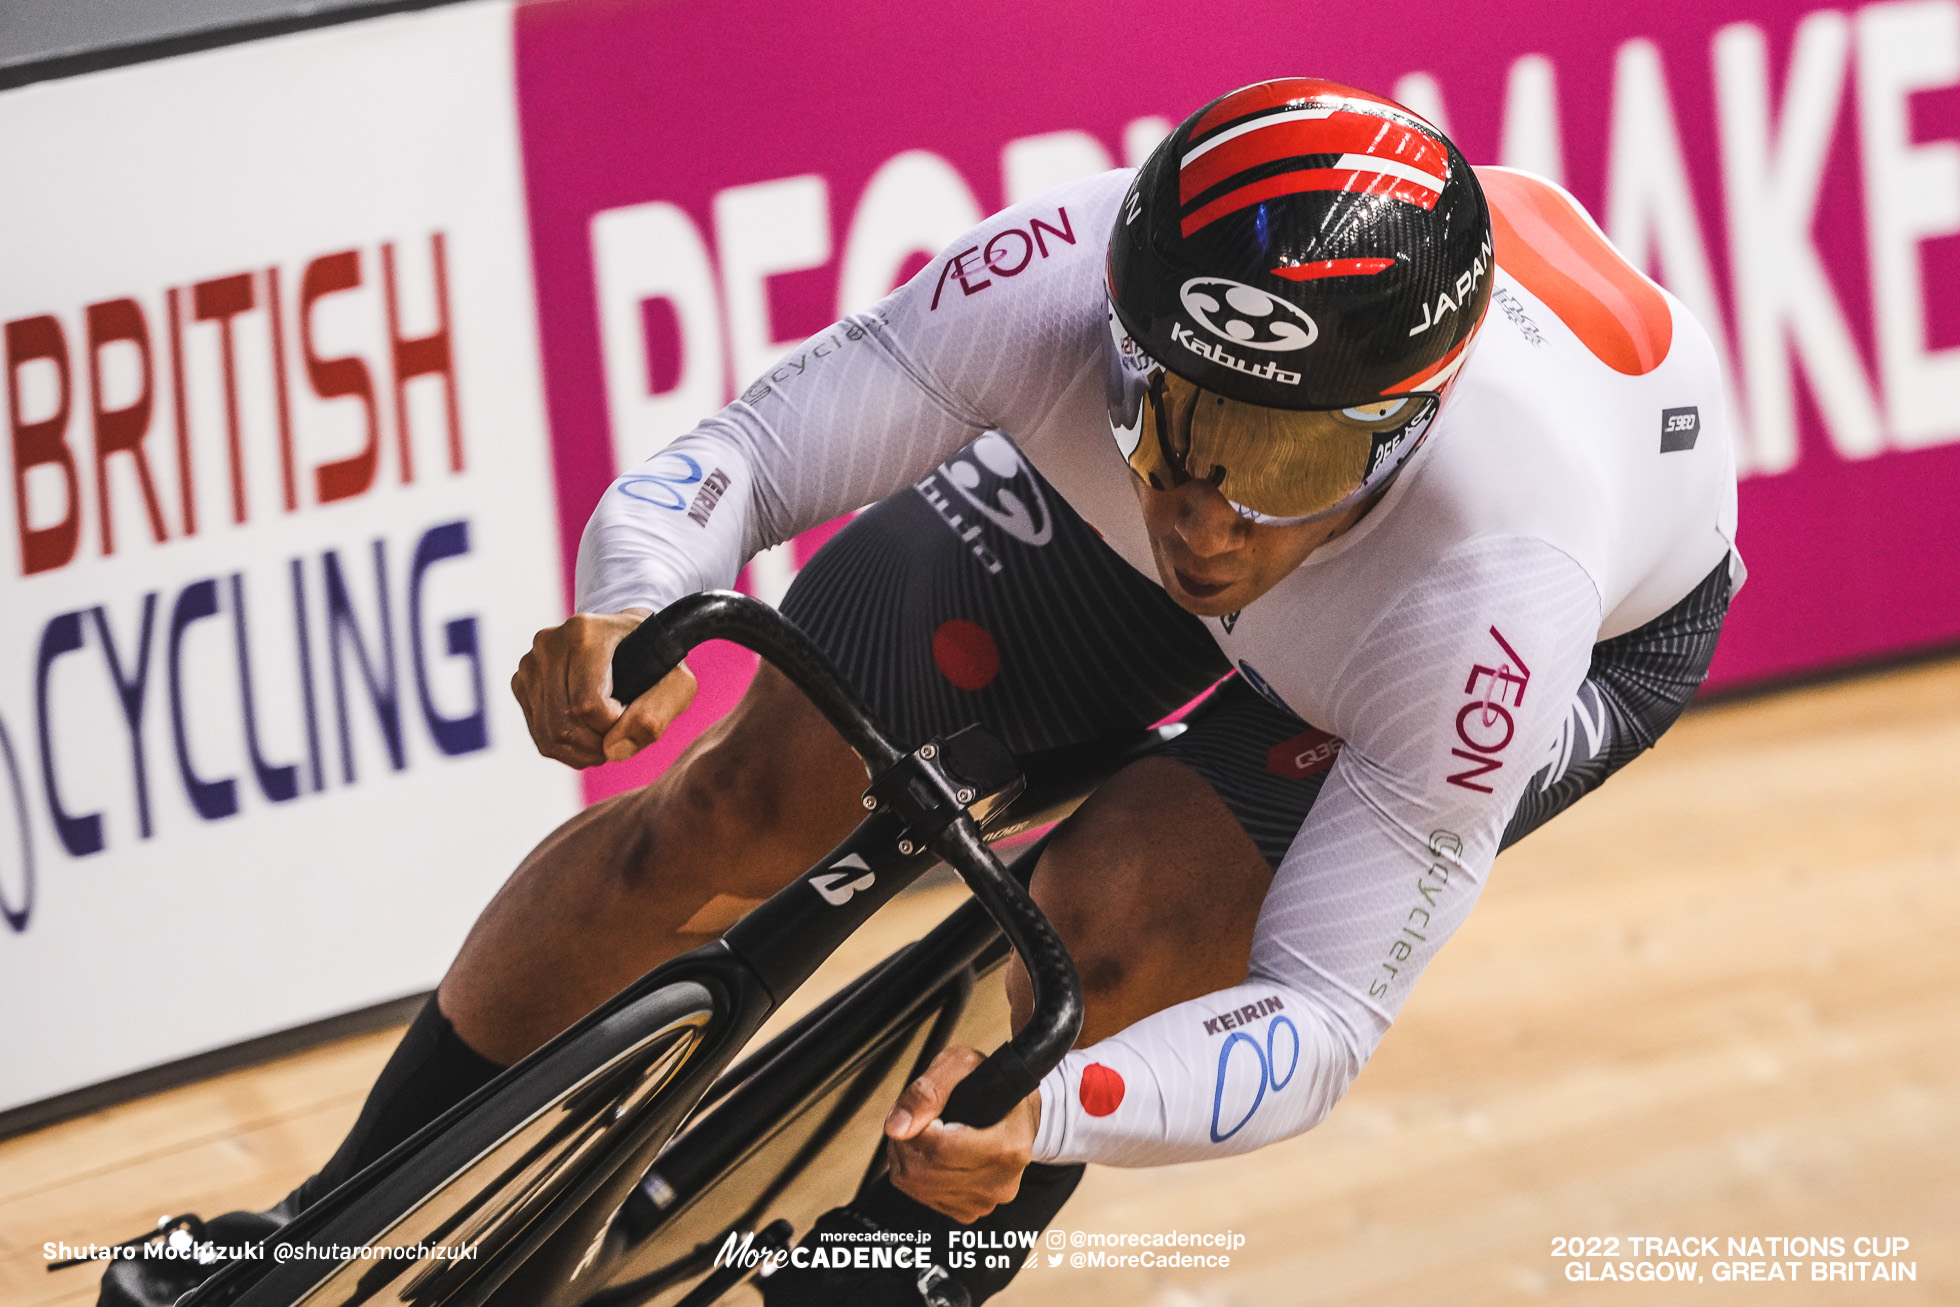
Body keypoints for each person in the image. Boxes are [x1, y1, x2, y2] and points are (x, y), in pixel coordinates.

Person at [103, 77, 1739, 1306]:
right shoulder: (1061, 275)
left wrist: (1069, 1105)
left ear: (1402, 425)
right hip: (1197, 540)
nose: (1207, 514)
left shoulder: (1497, 599)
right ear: (1129, 321)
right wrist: (628, 611)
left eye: (1285, 459)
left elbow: (1320, 1022)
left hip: (1499, 633)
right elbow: (744, 459)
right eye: (1175, 418)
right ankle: (325, 1222)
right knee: (730, 809)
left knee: (1110, 932)